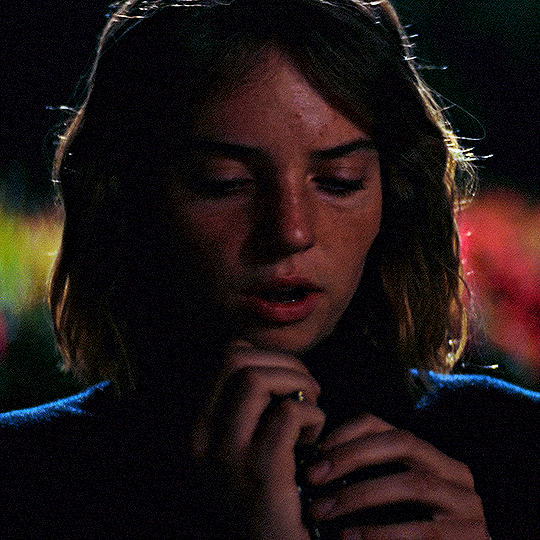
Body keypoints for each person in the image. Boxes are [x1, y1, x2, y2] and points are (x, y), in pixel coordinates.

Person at [1, 0, 539, 538]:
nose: (290, 231)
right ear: (131, 197)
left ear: (396, 192)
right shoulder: (27, 475)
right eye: (225, 183)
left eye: (340, 181)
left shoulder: (514, 448)